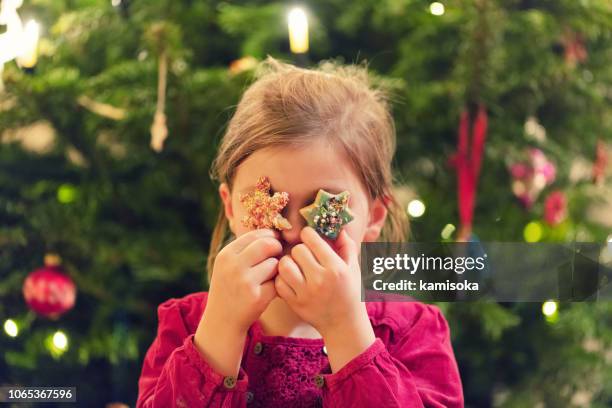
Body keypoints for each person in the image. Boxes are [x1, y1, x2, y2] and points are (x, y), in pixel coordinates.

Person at [137, 57, 463, 407]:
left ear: (374, 216)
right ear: (231, 207)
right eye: (267, 203)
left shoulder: (414, 332)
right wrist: (220, 330)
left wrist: (345, 330)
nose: (291, 230)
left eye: (326, 207)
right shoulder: (186, 326)